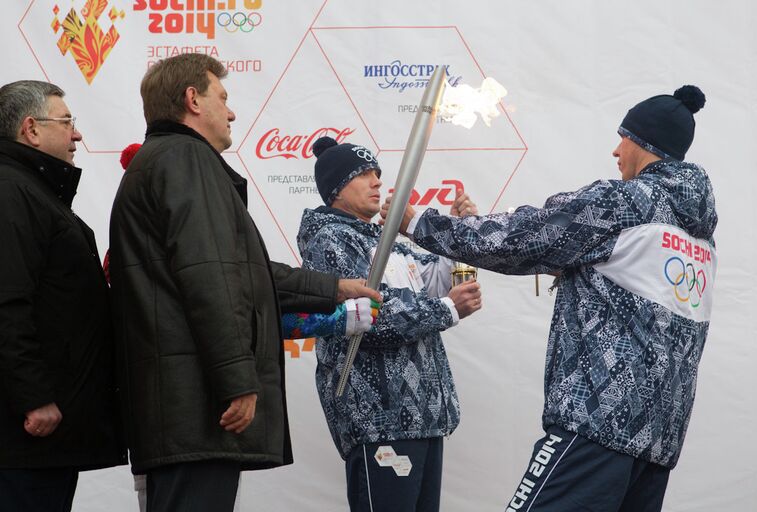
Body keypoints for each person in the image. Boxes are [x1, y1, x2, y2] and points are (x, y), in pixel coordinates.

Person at [383, 85, 717, 511]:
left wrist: (425, 225)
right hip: (658, 437)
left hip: (598, 422)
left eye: (624, 138)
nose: (617, 151)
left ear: (645, 144)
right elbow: (616, 281)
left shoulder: (628, 201)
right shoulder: (699, 235)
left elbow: (527, 237)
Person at [108, 54, 380, 512]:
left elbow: (237, 269)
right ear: (192, 100)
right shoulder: (186, 160)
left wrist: (334, 288)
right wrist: (237, 381)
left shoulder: (168, 161)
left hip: (183, 402)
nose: (232, 112)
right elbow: (211, 278)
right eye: (223, 98)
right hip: (198, 404)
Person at [297, 136, 483, 512]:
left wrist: (458, 231)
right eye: (363, 174)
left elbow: (435, 281)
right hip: (379, 421)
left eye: (377, 173)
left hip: (424, 417)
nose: (377, 182)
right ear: (336, 188)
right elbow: (369, 318)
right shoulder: (329, 240)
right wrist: (448, 309)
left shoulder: (384, 239)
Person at [0, 80, 126, 511]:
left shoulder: (32, 191)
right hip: (24, 437)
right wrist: (34, 397)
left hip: (40, 437)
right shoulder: (11, 191)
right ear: (31, 129)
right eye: (67, 121)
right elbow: (6, 302)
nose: (76, 134)